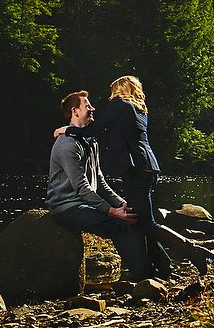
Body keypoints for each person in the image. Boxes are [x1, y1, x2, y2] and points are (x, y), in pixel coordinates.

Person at [55, 76, 213, 277]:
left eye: (112, 92)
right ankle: (164, 269)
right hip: (147, 168)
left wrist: (66, 130)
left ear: (120, 90)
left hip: (136, 170)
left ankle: (192, 251)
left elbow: (96, 128)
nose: (109, 98)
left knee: (147, 224)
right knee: (140, 221)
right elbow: (108, 133)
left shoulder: (121, 103)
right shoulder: (139, 109)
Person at [47, 90, 155, 282]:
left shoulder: (90, 141)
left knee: (134, 216)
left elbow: (99, 181)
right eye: (87, 106)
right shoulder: (67, 145)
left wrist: (122, 204)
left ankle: (155, 270)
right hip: (66, 207)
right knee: (117, 225)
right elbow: (81, 188)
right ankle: (145, 278)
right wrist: (111, 211)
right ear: (75, 111)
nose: (93, 108)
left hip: (83, 203)